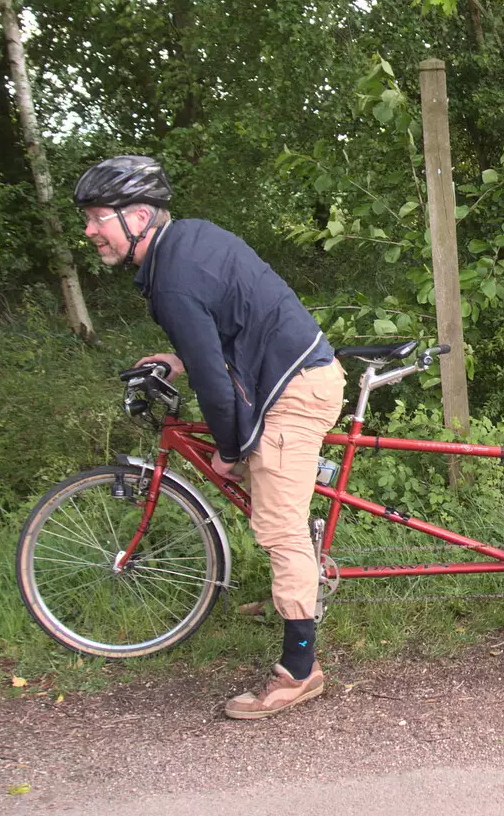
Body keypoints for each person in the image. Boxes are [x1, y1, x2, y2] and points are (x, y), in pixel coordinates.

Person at [75, 155, 346, 719]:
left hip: (292, 388)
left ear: (139, 216)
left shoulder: (172, 274)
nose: (89, 230)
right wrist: (179, 359)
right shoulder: (188, 240)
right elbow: (228, 321)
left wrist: (230, 451)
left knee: (279, 526)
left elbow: (218, 388)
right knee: (273, 503)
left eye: (98, 217)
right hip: (288, 373)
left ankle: (301, 670)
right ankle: (290, 592)